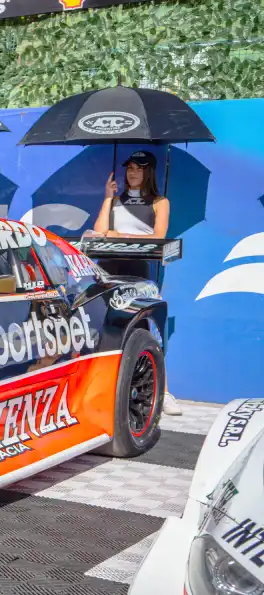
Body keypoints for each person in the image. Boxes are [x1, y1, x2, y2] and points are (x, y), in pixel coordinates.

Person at [93, 149, 182, 416]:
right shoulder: (116, 200)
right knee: (107, 325)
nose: (132, 172)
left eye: (139, 168)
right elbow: (99, 233)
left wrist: (117, 234)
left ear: (149, 172)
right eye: (129, 167)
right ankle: (107, 388)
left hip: (138, 269)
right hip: (108, 268)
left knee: (145, 326)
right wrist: (108, 199)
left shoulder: (159, 201)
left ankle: (162, 391)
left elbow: (158, 237)